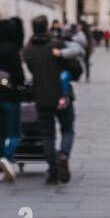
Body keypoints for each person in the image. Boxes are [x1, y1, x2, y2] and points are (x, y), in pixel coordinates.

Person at [24, 15, 83, 184]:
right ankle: (64, 154)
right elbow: (74, 66)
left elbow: (31, 69)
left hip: (41, 96)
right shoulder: (57, 45)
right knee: (67, 129)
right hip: (62, 96)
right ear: (47, 28)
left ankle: (52, 170)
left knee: (47, 135)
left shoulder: (28, 50)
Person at [0, 19, 28, 182]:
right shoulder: (12, 50)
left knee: (1, 134)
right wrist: (21, 85)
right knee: (15, 134)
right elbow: (18, 76)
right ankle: (7, 157)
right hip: (10, 96)